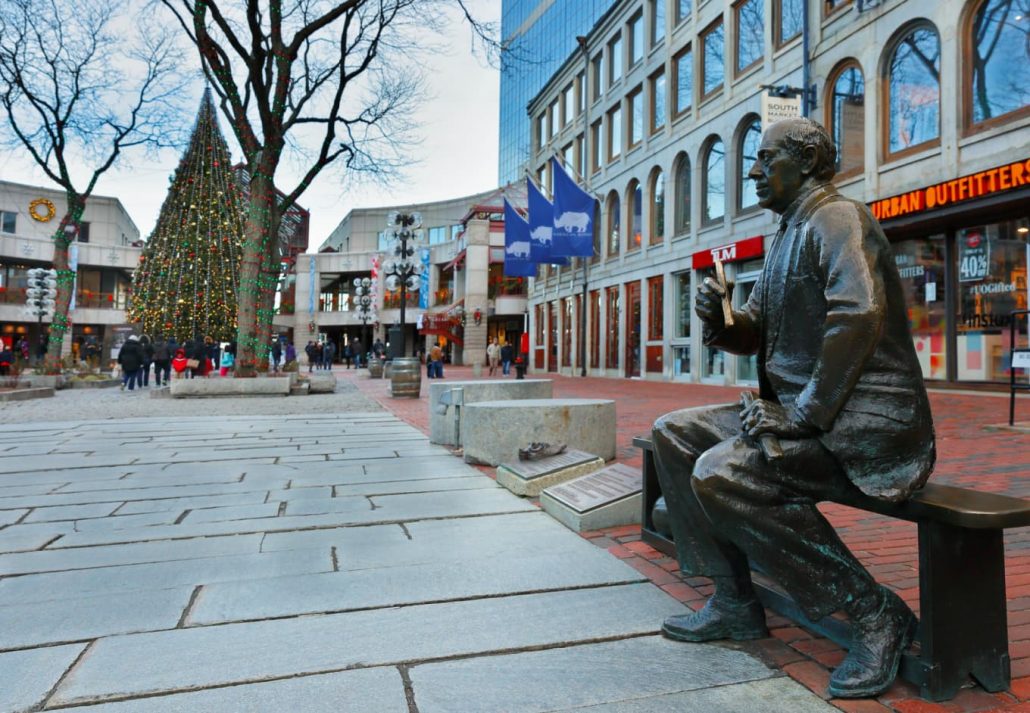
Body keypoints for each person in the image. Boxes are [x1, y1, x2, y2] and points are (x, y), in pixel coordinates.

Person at [651, 118, 935, 700]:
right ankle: (734, 602)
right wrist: (720, 317)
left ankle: (874, 612)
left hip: (868, 425)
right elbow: (754, 331)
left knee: (724, 472)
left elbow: (857, 314)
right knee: (674, 434)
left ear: (804, 163)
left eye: (765, 158)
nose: (753, 171)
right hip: (811, 413)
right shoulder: (786, 232)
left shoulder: (837, 217)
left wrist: (803, 415)